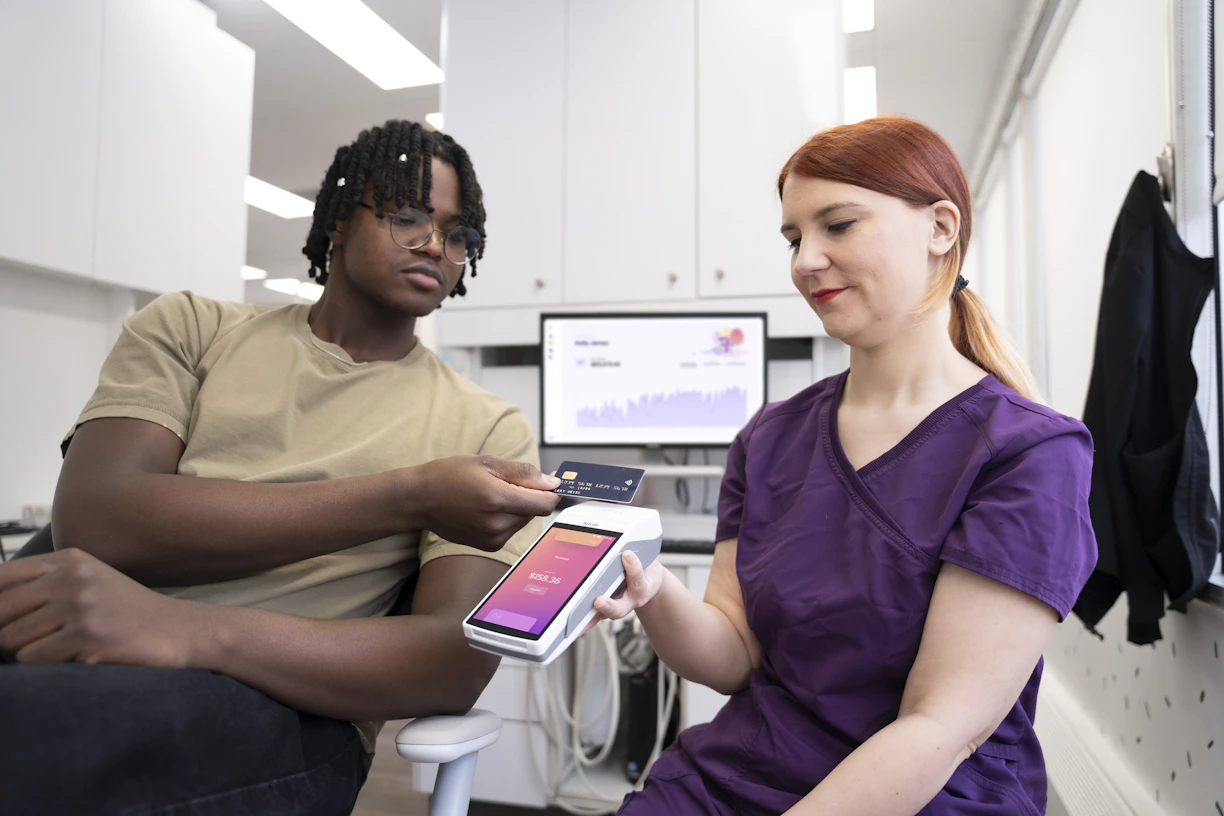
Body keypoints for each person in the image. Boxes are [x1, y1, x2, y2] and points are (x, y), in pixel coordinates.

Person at [0, 120, 561, 815]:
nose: (434, 247)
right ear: (334, 221)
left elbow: (451, 662)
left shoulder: (485, 427)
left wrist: (180, 629)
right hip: (82, 641)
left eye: (456, 234)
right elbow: (99, 520)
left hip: (284, 712)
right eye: (408, 217)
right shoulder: (190, 328)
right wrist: (412, 494)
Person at [597, 117, 1097, 815]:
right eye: (794, 238)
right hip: (732, 779)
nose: (805, 260)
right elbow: (734, 651)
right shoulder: (769, 437)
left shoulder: (1028, 454)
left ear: (941, 229)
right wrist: (648, 587)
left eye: (837, 226)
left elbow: (939, 727)